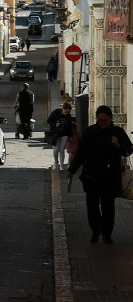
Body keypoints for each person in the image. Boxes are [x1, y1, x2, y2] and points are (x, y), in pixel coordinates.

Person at [68, 105, 133, 244]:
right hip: (91, 174)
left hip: (110, 176)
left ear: (111, 119)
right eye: (100, 120)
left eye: (106, 120)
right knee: (92, 205)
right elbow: (81, 153)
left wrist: (117, 145)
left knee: (108, 206)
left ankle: (107, 233)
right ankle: (95, 230)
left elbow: (128, 151)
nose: (103, 123)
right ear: (96, 118)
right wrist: (72, 169)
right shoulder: (90, 132)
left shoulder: (118, 132)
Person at [47, 102, 73, 170]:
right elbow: (49, 120)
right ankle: (56, 162)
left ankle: (61, 165)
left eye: (68, 112)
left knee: (62, 150)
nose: (67, 113)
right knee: (55, 150)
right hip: (55, 133)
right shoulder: (56, 112)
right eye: (66, 111)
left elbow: (69, 127)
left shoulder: (68, 116)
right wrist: (55, 124)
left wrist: (70, 137)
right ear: (62, 109)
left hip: (64, 134)